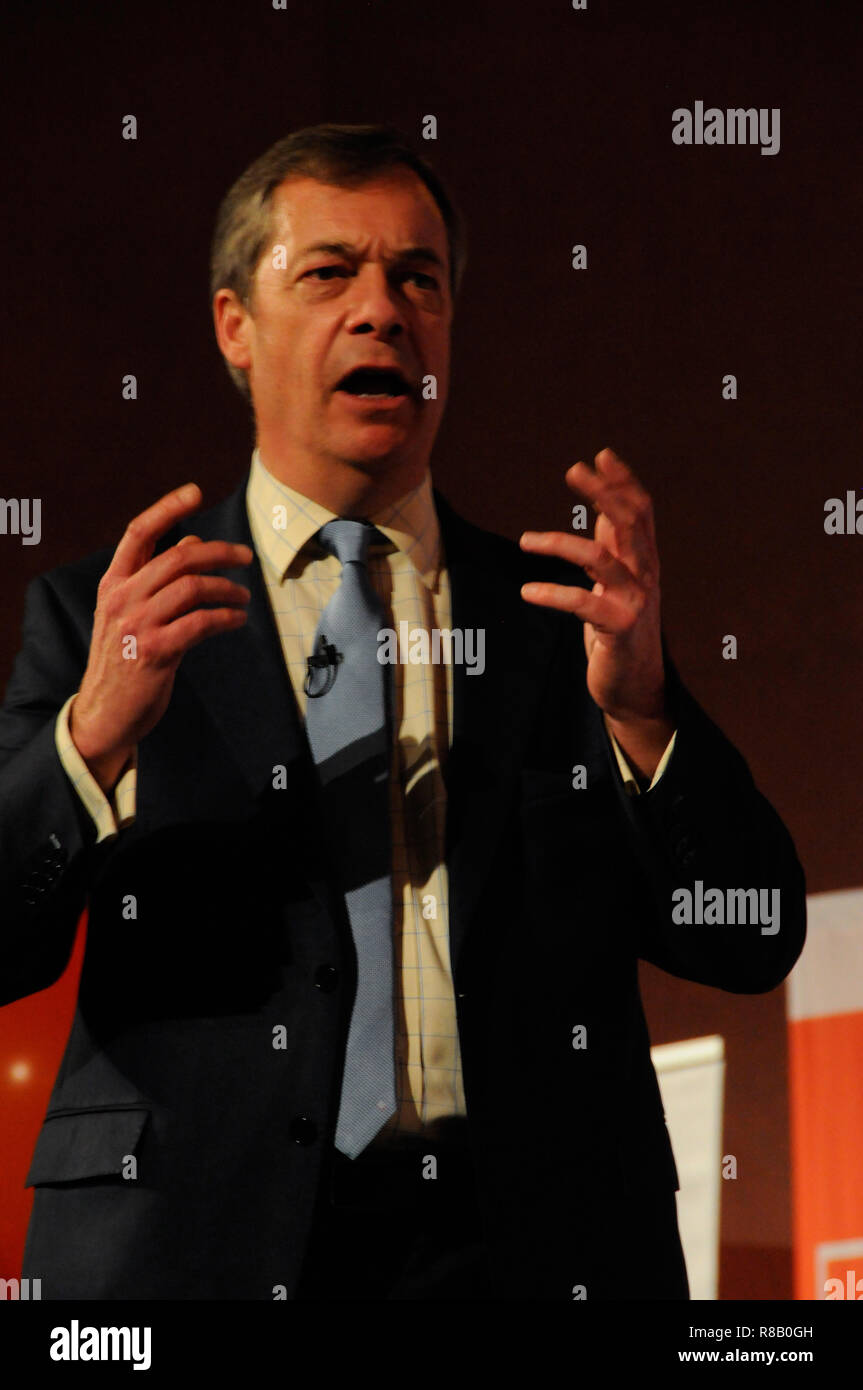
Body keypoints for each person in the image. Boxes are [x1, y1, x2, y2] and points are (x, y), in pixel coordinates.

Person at [0, 124, 805, 1300]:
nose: (381, 310)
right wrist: (91, 738)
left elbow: (747, 934)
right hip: (195, 1252)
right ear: (235, 324)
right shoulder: (107, 617)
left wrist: (640, 711)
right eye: (328, 273)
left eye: (416, 279)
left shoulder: (558, 628)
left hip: (525, 1257)